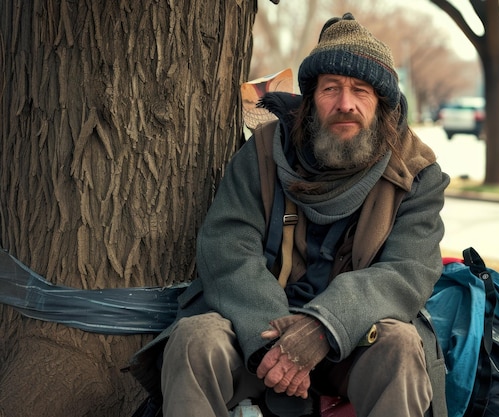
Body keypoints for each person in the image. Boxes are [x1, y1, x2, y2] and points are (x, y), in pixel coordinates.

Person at [138, 12, 450, 417]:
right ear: (309, 99)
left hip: (353, 338)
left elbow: (408, 271)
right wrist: (277, 342)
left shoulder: (419, 174)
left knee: (402, 347)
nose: (345, 104)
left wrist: (324, 326)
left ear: (383, 105)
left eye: (361, 90)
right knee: (195, 338)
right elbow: (228, 249)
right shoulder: (265, 152)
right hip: (259, 333)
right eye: (330, 89)